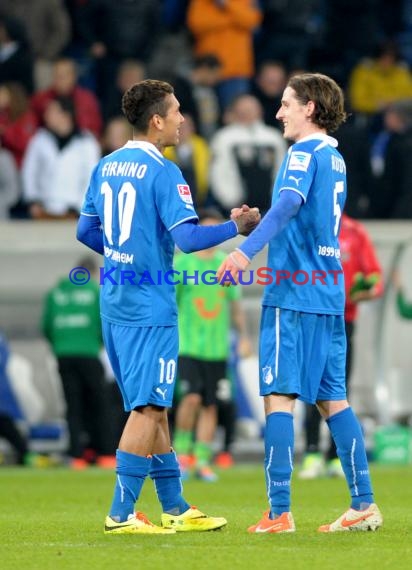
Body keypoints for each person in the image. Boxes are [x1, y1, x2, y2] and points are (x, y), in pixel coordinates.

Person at [76, 79, 260, 534]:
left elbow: (85, 232)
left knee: (154, 408)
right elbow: (189, 239)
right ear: (156, 120)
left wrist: (125, 256)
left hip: (116, 301)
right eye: (176, 111)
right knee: (147, 407)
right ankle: (120, 514)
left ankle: (174, 504)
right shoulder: (164, 171)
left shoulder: (107, 165)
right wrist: (235, 227)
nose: (182, 119)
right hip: (149, 309)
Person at [217, 72, 383, 533]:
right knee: (334, 400)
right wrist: (258, 224)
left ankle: (278, 511)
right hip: (330, 291)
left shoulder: (302, 151)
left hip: (292, 290)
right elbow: (296, 214)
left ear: (310, 107)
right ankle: (363, 502)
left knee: (278, 398)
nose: (279, 112)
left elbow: (288, 204)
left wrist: (243, 251)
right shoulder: (336, 157)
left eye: (287, 104)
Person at [300, 212, 384, 479]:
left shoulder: (355, 232)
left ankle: (335, 456)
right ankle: (312, 453)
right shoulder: (308, 225)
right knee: (309, 386)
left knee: (338, 387)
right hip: (311, 315)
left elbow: (374, 277)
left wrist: (364, 292)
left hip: (343, 319)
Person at [173, 207, 252, 482]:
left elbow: (235, 306)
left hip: (218, 348)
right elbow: (171, 303)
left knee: (211, 404)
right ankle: (182, 455)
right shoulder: (182, 263)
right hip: (188, 346)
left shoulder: (227, 262)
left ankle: (202, 459)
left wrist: (243, 337)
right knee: (191, 398)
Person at [41, 256, 115, 469]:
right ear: (91, 272)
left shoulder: (56, 293)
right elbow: (104, 323)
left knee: (73, 406)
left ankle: (76, 456)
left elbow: (46, 326)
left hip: (63, 355)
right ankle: (106, 452)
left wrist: (60, 345)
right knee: (100, 404)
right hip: (89, 353)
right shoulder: (94, 292)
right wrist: (98, 343)